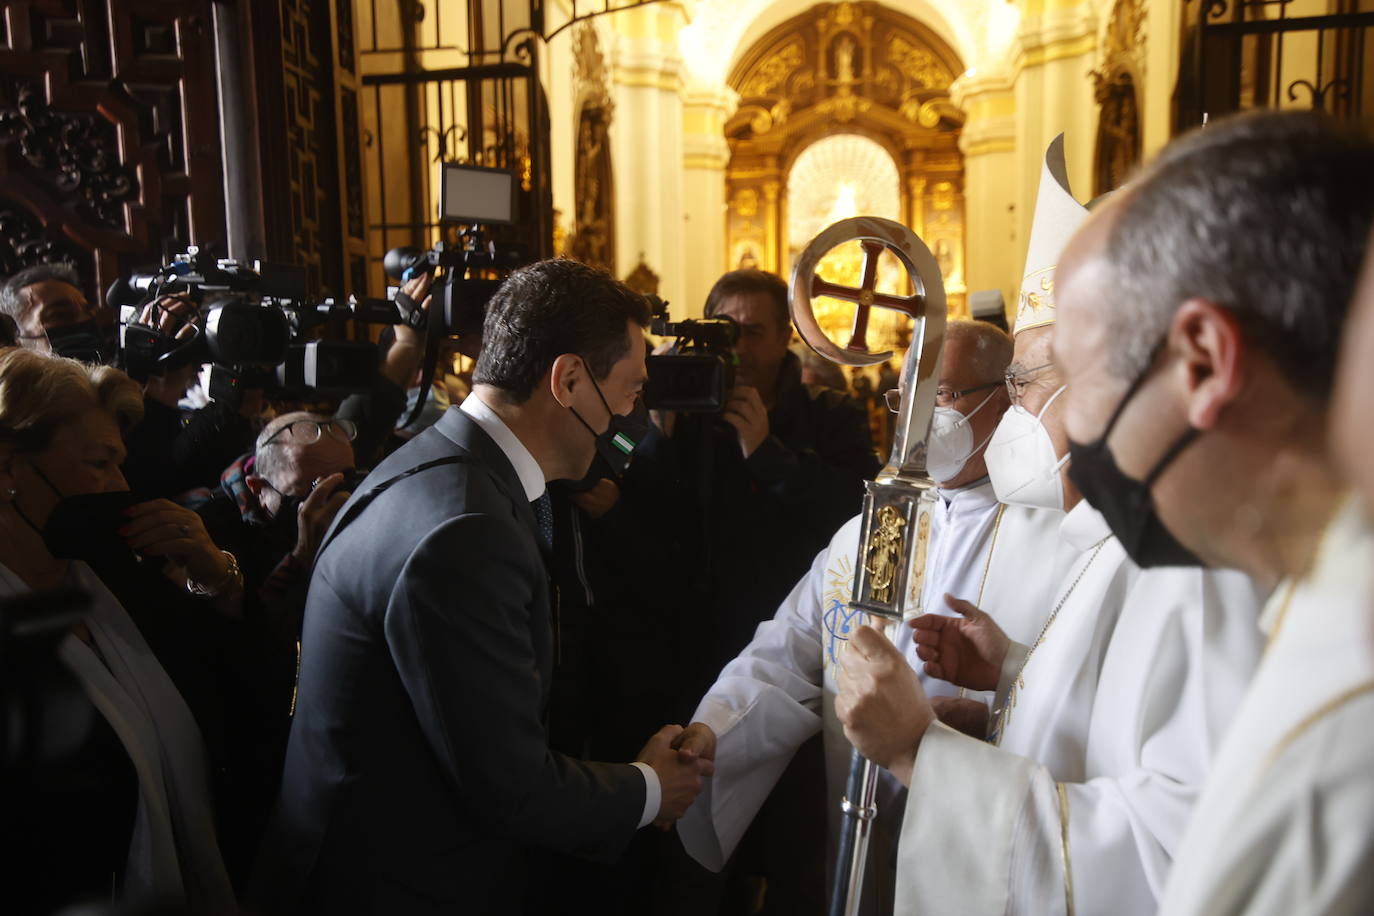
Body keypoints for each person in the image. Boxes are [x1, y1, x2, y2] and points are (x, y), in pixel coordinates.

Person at [832, 132, 1269, 916]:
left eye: (1029, 382)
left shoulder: (1199, 563)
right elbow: (1124, 734)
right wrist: (1009, 689)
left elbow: (1164, 863)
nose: (1017, 413)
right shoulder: (1118, 532)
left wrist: (919, 752)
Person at [248, 259, 712, 915]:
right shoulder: (467, 529)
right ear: (571, 380)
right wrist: (651, 789)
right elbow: (506, 784)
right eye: (631, 389)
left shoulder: (442, 463)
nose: (633, 415)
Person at [1059, 112, 1374, 915]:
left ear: (1203, 361)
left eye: (1074, 377)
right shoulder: (1321, 606)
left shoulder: (1337, 763)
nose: (1070, 430)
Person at [669, 321, 1064, 914]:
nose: (921, 413)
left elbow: (1077, 696)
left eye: (945, 393)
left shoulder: (1059, 536)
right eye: (908, 395)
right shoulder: (873, 532)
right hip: (861, 814)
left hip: (981, 828)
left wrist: (991, 711)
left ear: (1006, 394)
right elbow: (786, 653)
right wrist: (711, 730)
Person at [0, 347, 235, 914]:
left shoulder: (116, 580)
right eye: (99, 464)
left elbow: (233, 701)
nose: (119, 487)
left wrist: (217, 577)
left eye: (120, 464)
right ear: (9, 466)